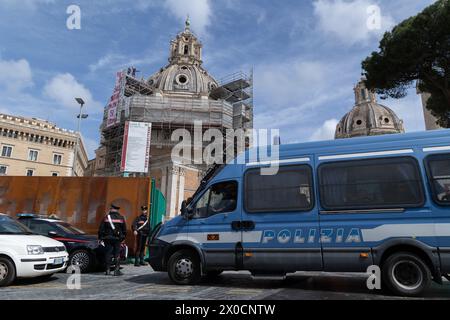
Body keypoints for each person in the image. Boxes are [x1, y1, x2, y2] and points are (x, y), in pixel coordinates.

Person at [98, 203, 127, 276]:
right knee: (117, 254)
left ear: (111, 209)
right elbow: (124, 230)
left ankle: (107, 270)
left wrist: (100, 237)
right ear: (117, 210)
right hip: (117, 239)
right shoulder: (121, 218)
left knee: (108, 253)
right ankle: (116, 271)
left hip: (107, 238)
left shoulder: (106, 217)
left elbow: (101, 229)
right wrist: (122, 238)